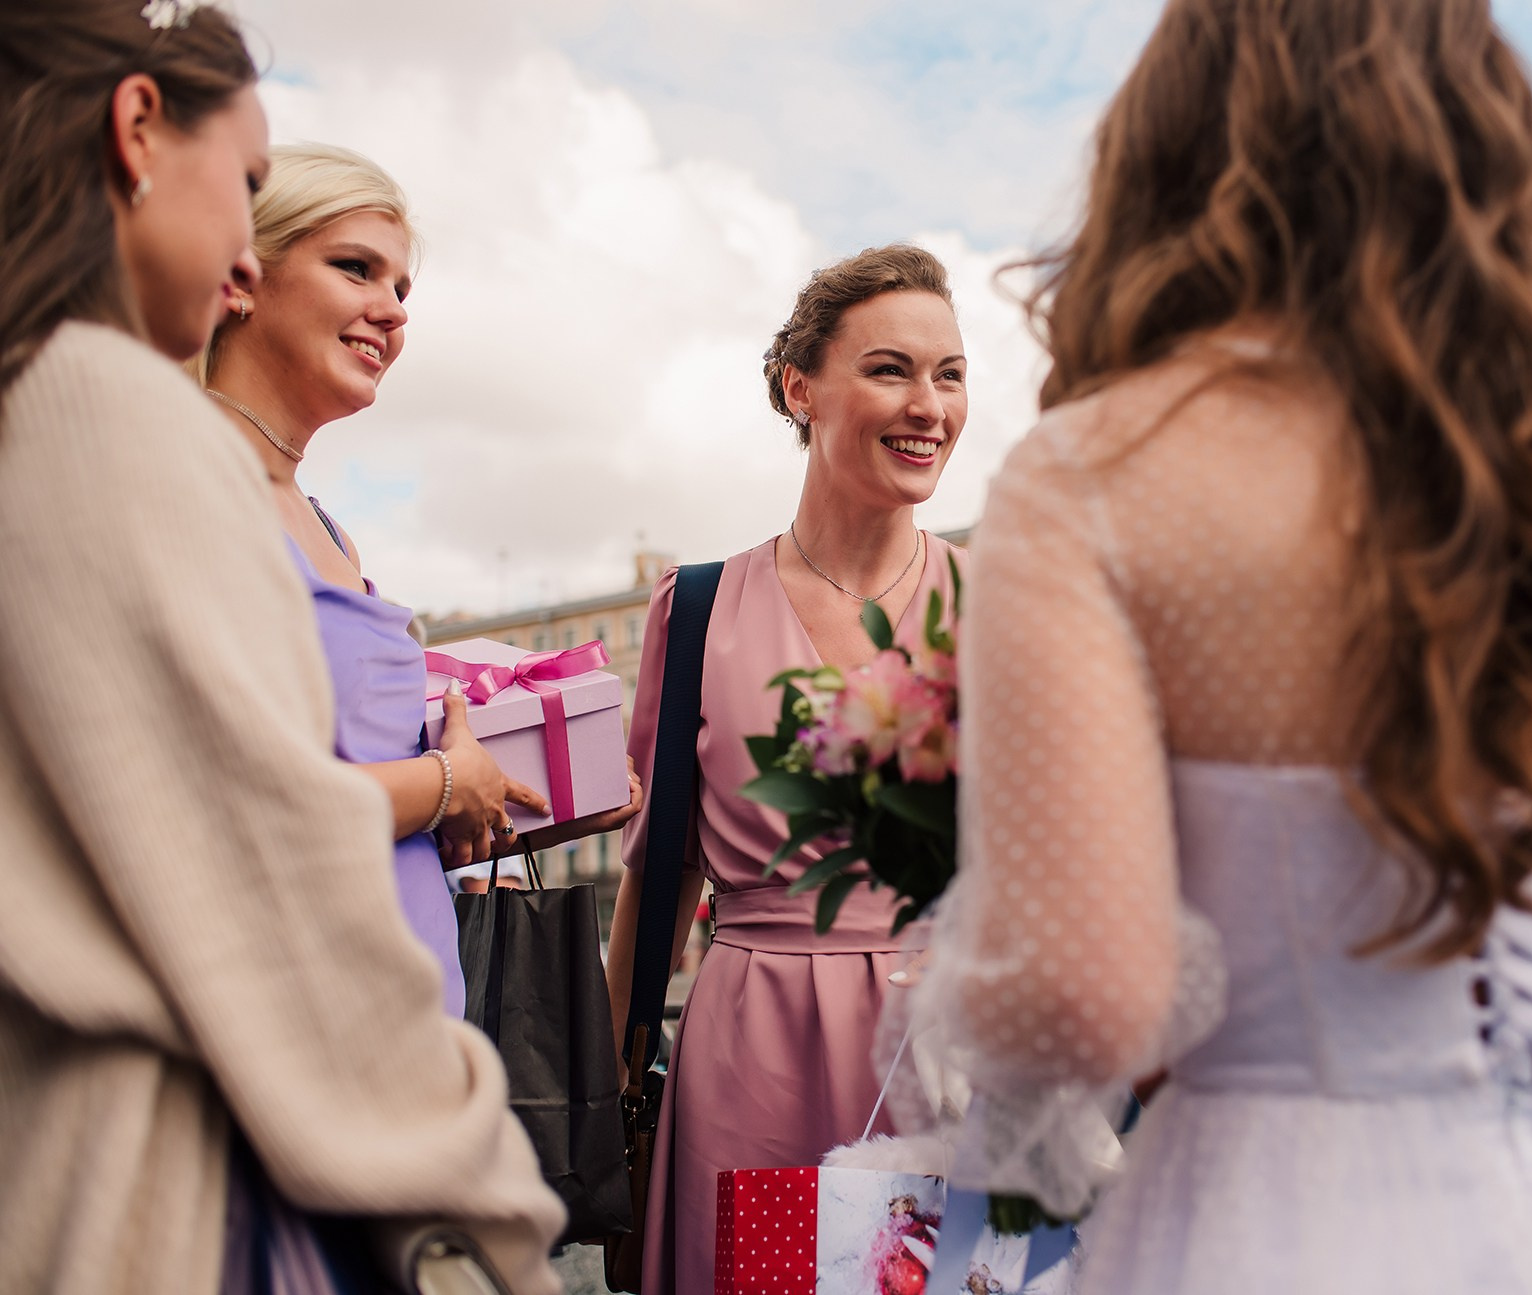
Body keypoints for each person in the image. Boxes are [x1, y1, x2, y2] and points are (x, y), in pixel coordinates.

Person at [896, 1, 1532, 1291]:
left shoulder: (1094, 477)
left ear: (1173, 153)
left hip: (1267, 1210)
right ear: (1491, 145)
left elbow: (1089, 995)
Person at [0, 3, 563, 1290]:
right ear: (138, 128)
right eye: (245, 184)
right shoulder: (104, 407)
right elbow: (258, 847)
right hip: (227, 1144)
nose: (243, 258)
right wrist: (481, 1216)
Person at [199, 142, 640, 1016]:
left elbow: (359, 818)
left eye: (403, 290)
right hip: (283, 1020)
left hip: (399, 1013)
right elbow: (223, 807)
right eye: (355, 268)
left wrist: (526, 800)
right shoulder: (188, 482)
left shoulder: (327, 529)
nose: (391, 312)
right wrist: (448, 783)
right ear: (241, 276)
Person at [604, 244, 967, 1295]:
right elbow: (658, 872)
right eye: (892, 368)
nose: (928, 405)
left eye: (949, 375)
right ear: (797, 386)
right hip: (748, 1058)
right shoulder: (700, 604)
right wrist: (607, 1090)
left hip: (940, 1063)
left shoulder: (1001, 607)